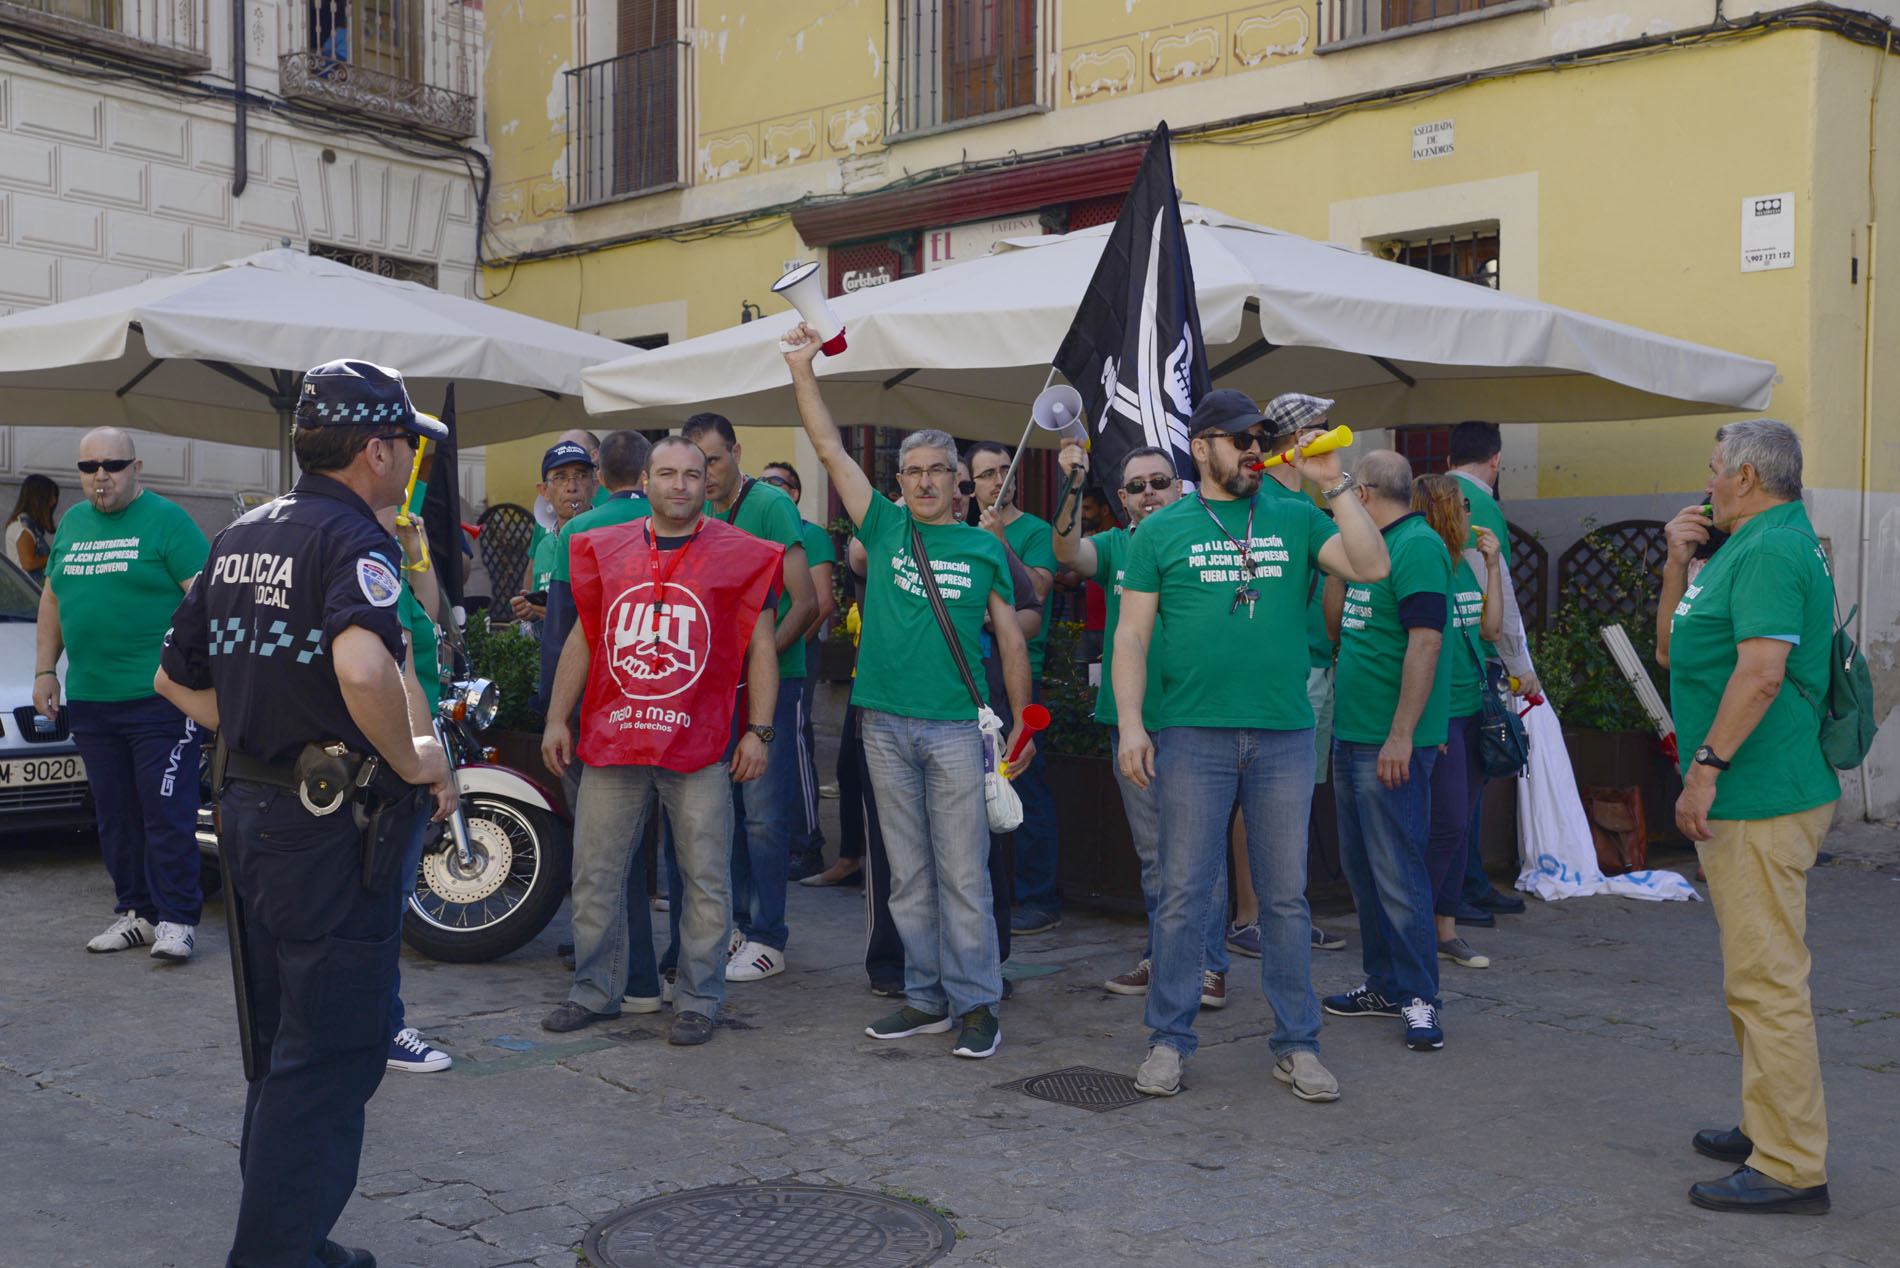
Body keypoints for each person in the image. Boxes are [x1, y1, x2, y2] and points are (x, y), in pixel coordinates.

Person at [155, 358, 457, 1268]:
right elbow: (364, 670)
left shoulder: (241, 531)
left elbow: (172, 677)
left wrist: (259, 733)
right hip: (328, 829)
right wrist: (413, 759)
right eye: (405, 443)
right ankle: (276, 1257)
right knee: (331, 1053)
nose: (408, 459)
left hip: (251, 810)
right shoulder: (353, 539)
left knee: (284, 1042)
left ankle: (294, 1243)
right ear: (375, 449)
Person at [1114, 388, 1389, 1101]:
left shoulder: (1296, 515)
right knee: (1182, 895)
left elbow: (1371, 567)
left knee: (1285, 900)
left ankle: (1297, 1046)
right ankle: (1168, 1041)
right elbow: (1131, 636)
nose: (1253, 452)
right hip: (1192, 733)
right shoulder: (1161, 530)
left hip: (1282, 735)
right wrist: (1132, 723)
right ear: (1201, 448)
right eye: (1238, 440)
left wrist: (1337, 487)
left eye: (1259, 440)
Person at [785, 321, 1033, 1061]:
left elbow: (1013, 637)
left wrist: (1023, 722)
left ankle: (978, 1003)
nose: (924, 480)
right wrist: (804, 368)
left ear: (960, 480)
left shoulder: (986, 547)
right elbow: (828, 447)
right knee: (907, 873)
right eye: (912, 470)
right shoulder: (886, 528)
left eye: (937, 469)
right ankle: (926, 998)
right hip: (882, 726)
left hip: (958, 731)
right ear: (899, 482)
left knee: (963, 875)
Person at [539, 435, 782, 1046]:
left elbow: (760, 646)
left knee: (704, 877)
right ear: (644, 480)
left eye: (692, 475)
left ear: (710, 483)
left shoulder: (744, 553)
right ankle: (595, 991)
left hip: (699, 744)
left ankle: (700, 999)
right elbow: (583, 639)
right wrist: (556, 717)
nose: (680, 485)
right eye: (667, 474)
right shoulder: (600, 545)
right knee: (595, 871)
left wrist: (759, 729)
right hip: (613, 737)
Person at [1657, 419, 1840, 1216]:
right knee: (1753, 976)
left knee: (1768, 982)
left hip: (1760, 793)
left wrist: (1705, 774)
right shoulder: (1744, 543)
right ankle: (1767, 1123)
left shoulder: (1768, 549)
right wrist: (1673, 560)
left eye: (1713, 470)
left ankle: (1792, 1165)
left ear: (1748, 478)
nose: (1706, 482)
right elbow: (1671, 650)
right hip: (1754, 791)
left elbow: (1762, 675)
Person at [1052, 441, 1229, 1010]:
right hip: (1132, 725)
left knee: (1201, 853)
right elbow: (1066, 553)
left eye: (1159, 481)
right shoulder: (1117, 543)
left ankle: (1207, 967)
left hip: (1198, 719)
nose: (1149, 493)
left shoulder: (1212, 534)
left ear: (1181, 486)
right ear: (1122, 499)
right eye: (1136, 486)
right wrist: (1073, 484)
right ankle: (1165, 957)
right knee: (1155, 855)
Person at [35, 428, 209, 963]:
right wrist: (45, 670)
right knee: (114, 815)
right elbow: (53, 598)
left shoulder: (168, 521)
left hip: (160, 698)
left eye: (112, 464)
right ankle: (136, 913)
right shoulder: (72, 525)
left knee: (165, 811)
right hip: (92, 696)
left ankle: (177, 919)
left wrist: (199, 672)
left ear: (136, 468)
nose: (100, 476)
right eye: (89, 467)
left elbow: (207, 598)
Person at [1320, 450, 1453, 1053]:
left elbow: (1425, 643)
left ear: (1366, 494)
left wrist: (1401, 734)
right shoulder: (1363, 550)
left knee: (1399, 872)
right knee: (1363, 871)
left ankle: (1420, 997)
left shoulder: (1418, 545)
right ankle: (1384, 985)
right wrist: (1336, 566)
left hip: (1389, 741)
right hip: (1352, 734)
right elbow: (1334, 630)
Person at [680, 414, 818, 983]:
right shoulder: (696, 509)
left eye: (712, 461)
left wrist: (751, 665)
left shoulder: (770, 506)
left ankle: (769, 936)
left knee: (763, 814)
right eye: (693, 465)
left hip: (773, 682)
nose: (703, 475)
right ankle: (735, 925)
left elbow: (806, 602)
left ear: (736, 451)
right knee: (726, 809)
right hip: (717, 689)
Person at [966, 440, 1064, 936]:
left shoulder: (1034, 530)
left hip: (1019, 674)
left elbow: (1039, 590)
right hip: (970, 678)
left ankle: (1039, 896)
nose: (998, 480)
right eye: (987, 474)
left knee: (1025, 779)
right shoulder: (962, 531)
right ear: (971, 483)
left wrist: (1001, 540)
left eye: (1006, 470)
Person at [1411, 474, 1504, 973]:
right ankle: (1415, 926)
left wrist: (1492, 566)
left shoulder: (1464, 567)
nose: (1472, 513)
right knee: (1445, 823)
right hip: (1440, 717)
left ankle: (1444, 930)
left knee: (1459, 824)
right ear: (1444, 509)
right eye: (1465, 504)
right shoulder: (1424, 566)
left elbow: (1490, 631)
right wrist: (1429, 724)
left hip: (1473, 712)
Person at [1445, 422, 1535, 921]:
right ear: (1495, 461)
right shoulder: (1480, 506)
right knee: (1471, 779)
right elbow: (1495, 598)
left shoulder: (1436, 494)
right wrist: (1521, 665)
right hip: (1476, 664)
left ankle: (1466, 883)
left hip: (1450, 658)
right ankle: (1462, 887)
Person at [378, 502, 455, 1075]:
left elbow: (435, 616)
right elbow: (405, 682)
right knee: (383, 904)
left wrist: (417, 549)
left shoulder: (392, 571)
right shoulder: (369, 576)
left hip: (398, 752)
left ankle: (372, 1021)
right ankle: (383, 1027)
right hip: (397, 754)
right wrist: (433, 764)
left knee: (386, 899)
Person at [761, 459, 837, 883]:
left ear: (794, 493)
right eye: (765, 479)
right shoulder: (754, 527)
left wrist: (786, 647)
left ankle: (808, 844)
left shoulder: (812, 534)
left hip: (796, 653)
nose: (769, 487)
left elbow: (822, 602)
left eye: (779, 482)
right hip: (761, 655)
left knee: (796, 743)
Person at [511, 441, 599, 629]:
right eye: (560, 477)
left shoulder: (609, 538)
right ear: (544, 491)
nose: (572, 486)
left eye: (581, 476)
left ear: (595, 485)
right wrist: (531, 611)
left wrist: (560, 612)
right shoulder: (545, 545)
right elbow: (544, 611)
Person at [7, 473, 59, 582]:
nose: (54, 501)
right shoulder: (23, 527)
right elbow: (28, 563)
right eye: (51, 496)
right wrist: (57, 556)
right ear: (39, 498)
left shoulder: (28, 525)